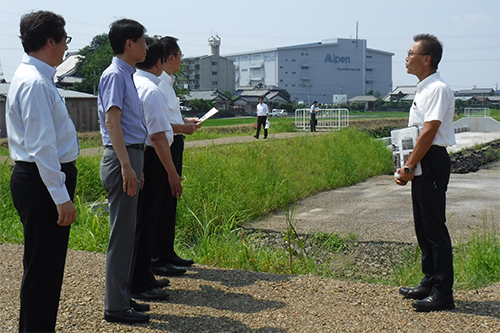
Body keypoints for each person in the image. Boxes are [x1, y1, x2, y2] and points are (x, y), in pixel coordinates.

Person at [5, 11, 79, 332]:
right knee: (43, 272)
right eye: (65, 40)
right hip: (42, 181)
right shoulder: (35, 83)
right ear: (51, 41)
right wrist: (61, 198)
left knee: (43, 269)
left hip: (39, 179)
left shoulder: (35, 76)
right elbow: (43, 147)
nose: (65, 48)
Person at [396, 34, 456, 312]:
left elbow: (430, 132)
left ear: (426, 58)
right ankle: (430, 281)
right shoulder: (423, 88)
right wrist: (407, 163)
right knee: (422, 224)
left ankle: (443, 292)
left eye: (411, 53)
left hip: (431, 160)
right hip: (421, 160)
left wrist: (409, 166)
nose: (406, 58)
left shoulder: (438, 89)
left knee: (434, 227)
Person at [97, 19, 150, 324]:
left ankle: (123, 295)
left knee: (127, 233)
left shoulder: (126, 74)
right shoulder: (115, 75)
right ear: (128, 44)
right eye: (143, 41)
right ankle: (115, 305)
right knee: (121, 234)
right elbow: (112, 122)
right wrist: (127, 166)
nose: (146, 46)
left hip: (130, 156)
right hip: (123, 158)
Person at [129, 37, 181, 300]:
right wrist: (173, 174)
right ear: (160, 62)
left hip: (141, 155)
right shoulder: (152, 89)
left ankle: (143, 275)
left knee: (143, 219)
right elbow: (159, 135)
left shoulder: (133, 81)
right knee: (146, 219)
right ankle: (139, 281)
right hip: (153, 156)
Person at [148, 36, 201, 277]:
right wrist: (181, 127)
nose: (181, 60)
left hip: (174, 142)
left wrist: (183, 123)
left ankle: (167, 252)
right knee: (160, 201)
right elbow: (158, 125)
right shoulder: (156, 84)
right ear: (169, 58)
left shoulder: (168, 83)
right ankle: (158, 257)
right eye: (179, 55)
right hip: (163, 146)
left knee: (170, 200)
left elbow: (169, 118)